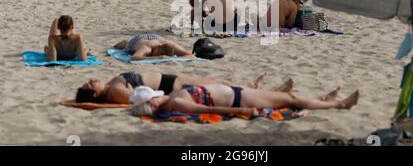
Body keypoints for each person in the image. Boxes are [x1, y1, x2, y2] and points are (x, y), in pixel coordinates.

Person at [134, 83, 359, 117]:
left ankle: (323, 99)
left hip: (238, 92)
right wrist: (241, 112)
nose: (158, 94)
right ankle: (340, 104)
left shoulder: (171, 98)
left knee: (289, 98)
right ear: (153, 103)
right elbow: (206, 108)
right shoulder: (175, 104)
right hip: (239, 100)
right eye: (154, 97)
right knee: (291, 100)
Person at [75, 72, 294, 104]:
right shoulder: (114, 92)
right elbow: (137, 98)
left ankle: (249, 86)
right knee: (216, 85)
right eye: (89, 83)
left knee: (214, 81)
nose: (92, 79)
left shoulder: (111, 87)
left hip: (169, 80)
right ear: (95, 93)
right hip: (169, 86)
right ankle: (275, 94)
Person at [113, 34, 194, 60]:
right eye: (158, 53)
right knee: (124, 46)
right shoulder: (147, 48)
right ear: (158, 48)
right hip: (138, 40)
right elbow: (134, 57)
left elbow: (191, 55)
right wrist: (158, 57)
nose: (156, 54)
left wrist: (175, 58)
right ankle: (124, 42)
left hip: (157, 37)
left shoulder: (172, 46)